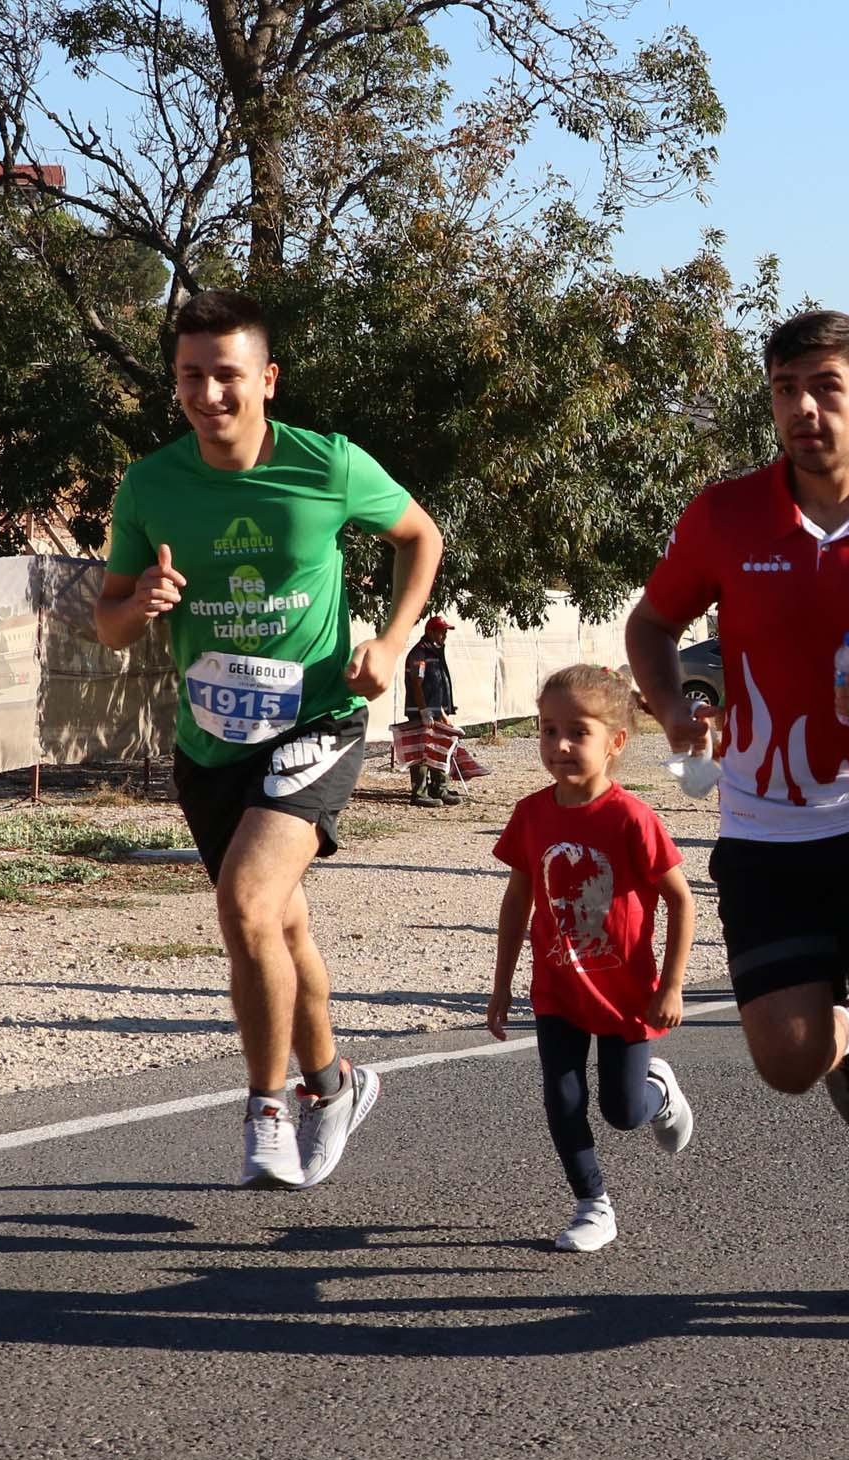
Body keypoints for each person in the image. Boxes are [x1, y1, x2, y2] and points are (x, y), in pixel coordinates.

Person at [625, 308, 849, 1315]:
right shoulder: (726, 516)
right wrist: (673, 705)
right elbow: (653, 622)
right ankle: (837, 1049)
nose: (804, 409)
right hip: (767, 821)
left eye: (826, 387)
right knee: (788, 1058)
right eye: (785, 389)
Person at [96, 288, 444, 1192]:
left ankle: (266, 1107)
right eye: (190, 376)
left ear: (268, 379)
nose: (207, 394)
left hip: (317, 718)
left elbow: (420, 537)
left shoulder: (327, 464)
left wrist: (392, 641)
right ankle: (335, 1083)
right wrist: (140, 606)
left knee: (247, 907)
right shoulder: (151, 484)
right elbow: (108, 622)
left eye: (227, 375)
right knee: (281, 927)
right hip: (211, 740)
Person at [487, 666, 697, 1250]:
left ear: (615, 742)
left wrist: (672, 985)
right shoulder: (531, 814)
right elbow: (517, 902)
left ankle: (658, 1091)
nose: (559, 746)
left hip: (626, 993)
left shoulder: (631, 818)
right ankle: (591, 1204)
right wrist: (501, 985)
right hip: (557, 990)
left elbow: (682, 901)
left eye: (578, 732)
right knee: (563, 1098)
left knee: (623, 1112)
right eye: (548, 730)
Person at [403, 615, 462, 806]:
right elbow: (417, 683)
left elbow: (438, 686)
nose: (444, 635)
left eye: (445, 632)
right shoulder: (420, 653)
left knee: (439, 749)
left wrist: (442, 713)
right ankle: (419, 793)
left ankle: (439, 788)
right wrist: (424, 711)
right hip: (420, 712)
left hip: (436, 712)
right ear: (430, 632)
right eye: (441, 632)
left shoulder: (435, 652)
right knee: (422, 751)